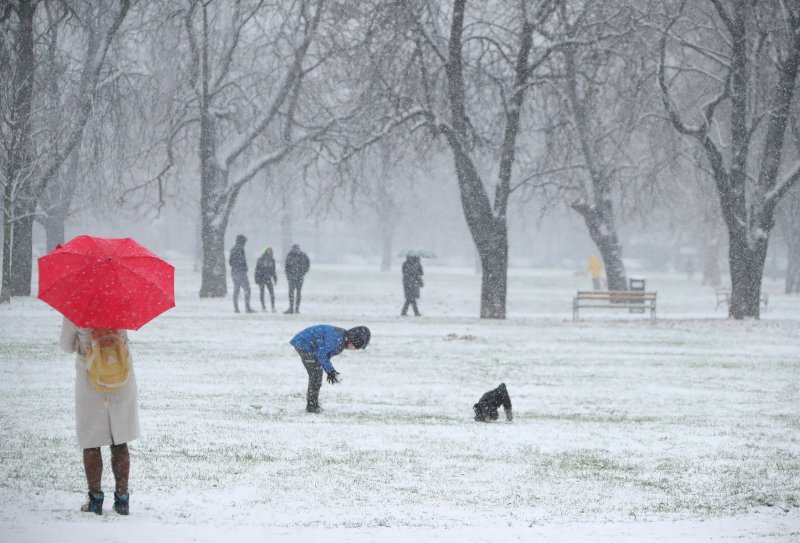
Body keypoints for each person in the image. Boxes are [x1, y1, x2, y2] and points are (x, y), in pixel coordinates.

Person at [60, 317, 138, 515]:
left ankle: (95, 500)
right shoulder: (119, 302)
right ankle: (122, 499)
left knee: (91, 441)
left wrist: (83, 341)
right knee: (120, 440)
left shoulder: (77, 308)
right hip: (120, 376)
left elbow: (67, 346)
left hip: (91, 379)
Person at [289, 324, 371, 413]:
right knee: (316, 375)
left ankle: (313, 403)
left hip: (311, 346)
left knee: (317, 374)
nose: (354, 349)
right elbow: (321, 354)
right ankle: (311, 406)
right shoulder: (337, 340)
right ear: (352, 340)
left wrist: (330, 371)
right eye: (355, 347)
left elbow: (324, 356)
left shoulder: (341, 339)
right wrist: (331, 371)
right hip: (304, 344)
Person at [229, 234, 254, 313]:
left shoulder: (233, 249)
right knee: (247, 289)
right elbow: (242, 260)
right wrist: (244, 267)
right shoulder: (240, 249)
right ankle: (247, 307)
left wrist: (235, 267)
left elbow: (230, 262)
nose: (245, 243)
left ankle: (236, 308)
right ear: (242, 241)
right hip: (240, 272)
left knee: (236, 290)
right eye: (244, 242)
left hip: (233, 272)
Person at [284, 244, 310, 314]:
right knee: (295, 293)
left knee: (293, 293)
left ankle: (293, 308)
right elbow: (286, 266)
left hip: (296, 277)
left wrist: (302, 272)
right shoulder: (301, 255)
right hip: (296, 277)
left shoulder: (291, 255)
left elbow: (286, 267)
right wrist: (303, 272)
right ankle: (294, 308)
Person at [254, 246, 278, 312]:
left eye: (270, 250)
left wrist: (275, 278)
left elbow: (273, 270)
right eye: (268, 250)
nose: (270, 252)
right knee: (262, 293)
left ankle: (273, 307)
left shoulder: (272, 260)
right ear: (265, 251)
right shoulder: (260, 259)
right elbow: (257, 269)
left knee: (272, 293)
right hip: (261, 278)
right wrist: (256, 278)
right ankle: (263, 307)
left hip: (268, 278)